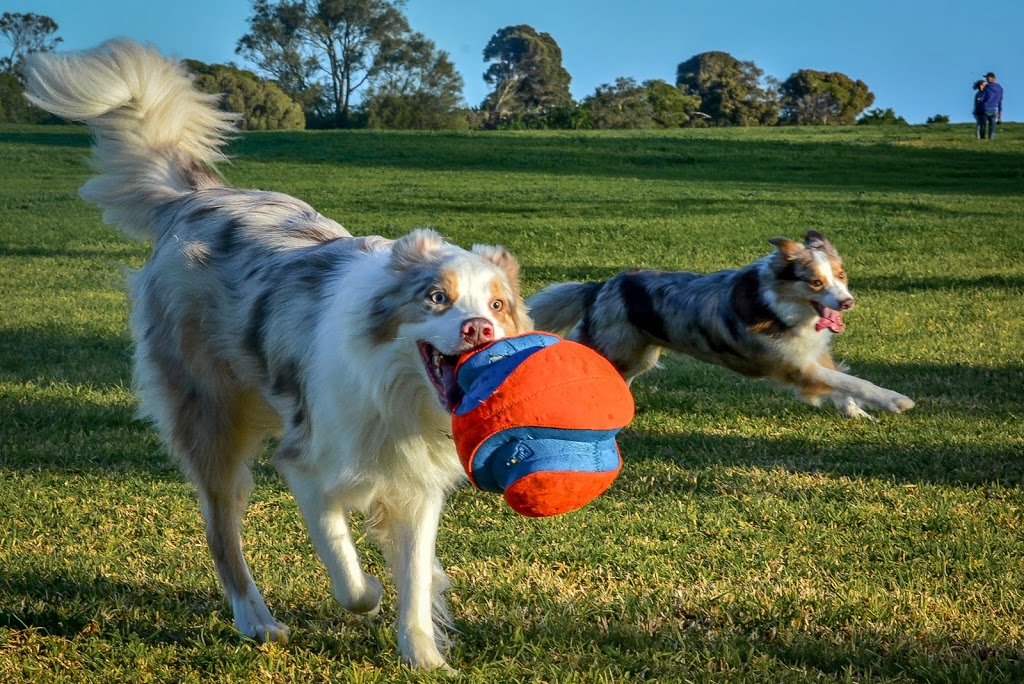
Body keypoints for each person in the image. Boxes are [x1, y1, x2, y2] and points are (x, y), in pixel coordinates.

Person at [978, 71, 1004, 139]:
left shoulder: (986, 87)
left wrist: (980, 96)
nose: (986, 79)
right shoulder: (1000, 88)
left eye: (987, 78)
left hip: (985, 109)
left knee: (983, 126)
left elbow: (981, 98)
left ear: (991, 78)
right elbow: (1000, 101)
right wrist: (999, 112)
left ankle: (982, 139)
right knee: (992, 127)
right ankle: (991, 140)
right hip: (993, 110)